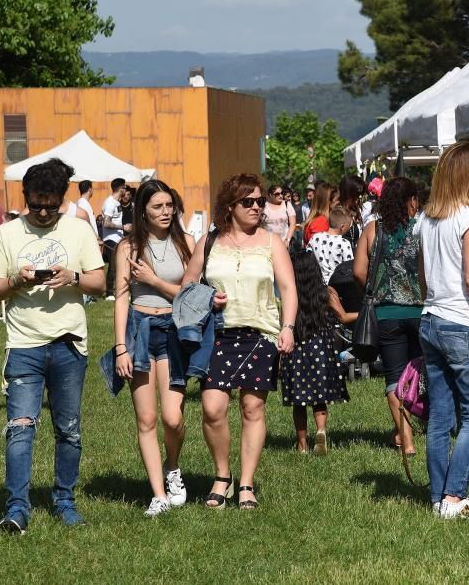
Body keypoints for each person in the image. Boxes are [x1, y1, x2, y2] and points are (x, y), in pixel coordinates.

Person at [0, 158, 105, 534]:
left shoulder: (79, 230)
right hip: (23, 346)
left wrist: (74, 276)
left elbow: (100, 284)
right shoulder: (7, 233)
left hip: (68, 345)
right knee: (20, 428)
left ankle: (64, 501)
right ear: (26, 198)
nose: (43, 211)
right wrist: (17, 281)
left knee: (68, 429)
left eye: (51, 204)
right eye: (36, 204)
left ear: (61, 200)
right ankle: (17, 508)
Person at [179, 174, 296, 510]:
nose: (257, 207)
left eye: (260, 201)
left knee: (252, 407)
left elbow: (288, 288)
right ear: (230, 206)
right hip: (216, 334)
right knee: (213, 409)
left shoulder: (272, 242)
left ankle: (246, 483)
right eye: (249, 202)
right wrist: (206, 297)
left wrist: (287, 327)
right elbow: (188, 285)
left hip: (260, 333)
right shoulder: (209, 242)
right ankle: (221, 475)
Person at [416, 142, 469, 519]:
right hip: (462, 320)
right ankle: (454, 497)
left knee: (440, 416)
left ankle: (438, 496)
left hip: (431, 317)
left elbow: (422, 274)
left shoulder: (426, 219)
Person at [113, 180, 196, 517]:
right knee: (146, 418)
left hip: (175, 330)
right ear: (143, 211)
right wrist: (121, 348)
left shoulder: (187, 243)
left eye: (169, 205)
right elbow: (120, 297)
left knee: (172, 417)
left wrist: (154, 280)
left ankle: (172, 467)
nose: (165, 212)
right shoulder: (127, 248)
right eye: (157, 207)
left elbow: (192, 297)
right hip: (140, 330)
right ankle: (158, 493)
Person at [354, 177, 423, 455]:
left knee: (394, 376)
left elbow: (359, 271)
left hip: (385, 314)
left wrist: (374, 290)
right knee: (420, 371)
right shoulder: (422, 228)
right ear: (412, 200)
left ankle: (405, 438)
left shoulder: (372, 229)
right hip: (421, 309)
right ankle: (418, 423)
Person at [281, 251, 350, 454]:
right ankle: (321, 430)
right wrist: (365, 313)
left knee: (298, 400)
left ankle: (302, 443)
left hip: (296, 347)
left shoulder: (289, 295)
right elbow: (343, 317)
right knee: (319, 396)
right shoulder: (325, 292)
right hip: (321, 347)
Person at [307, 205, 354, 284]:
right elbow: (349, 267)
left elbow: (307, 257)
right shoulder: (344, 243)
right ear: (342, 227)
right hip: (337, 285)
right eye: (349, 226)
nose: (349, 229)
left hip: (317, 284)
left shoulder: (315, 238)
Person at [102, 178, 129, 299]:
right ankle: (109, 293)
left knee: (120, 266)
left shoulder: (117, 203)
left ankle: (120, 291)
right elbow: (106, 223)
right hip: (111, 239)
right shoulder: (110, 203)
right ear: (120, 189)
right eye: (125, 187)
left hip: (118, 239)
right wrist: (124, 227)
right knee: (112, 267)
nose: (126, 190)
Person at [338, 175, 367, 248]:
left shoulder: (358, 211)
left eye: (361, 193)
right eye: (358, 193)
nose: (360, 197)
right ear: (348, 193)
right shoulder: (337, 213)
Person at [303, 181, 335, 247]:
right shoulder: (321, 221)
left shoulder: (322, 219)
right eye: (337, 199)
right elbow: (319, 249)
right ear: (328, 201)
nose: (339, 202)